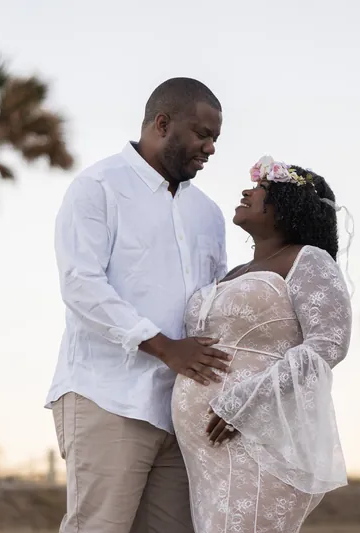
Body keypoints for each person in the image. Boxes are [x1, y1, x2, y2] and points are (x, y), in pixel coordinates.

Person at [47, 78, 230, 533]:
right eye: (202, 134)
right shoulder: (98, 187)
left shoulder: (208, 213)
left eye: (215, 139)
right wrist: (166, 347)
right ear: (162, 124)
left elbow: (213, 304)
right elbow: (81, 285)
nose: (210, 148)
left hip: (181, 412)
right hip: (107, 396)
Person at [172, 156, 353, 533]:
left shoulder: (308, 260)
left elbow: (329, 343)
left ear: (288, 205)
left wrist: (243, 402)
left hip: (258, 441)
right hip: (207, 456)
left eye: (261, 189)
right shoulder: (234, 273)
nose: (246, 191)